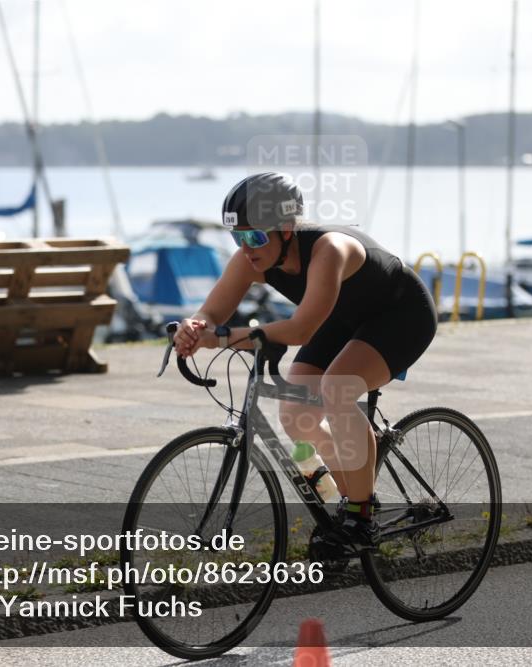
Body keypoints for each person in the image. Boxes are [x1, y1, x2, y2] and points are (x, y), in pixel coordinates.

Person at [174, 172, 437, 547]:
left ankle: (361, 518)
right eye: (237, 236)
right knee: (296, 414)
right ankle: (352, 499)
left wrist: (223, 339)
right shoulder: (252, 258)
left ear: (285, 228)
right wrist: (193, 328)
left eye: (254, 236)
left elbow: (299, 331)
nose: (246, 247)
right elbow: (211, 314)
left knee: (337, 389)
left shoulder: (328, 249)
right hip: (341, 319)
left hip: (399, 317)